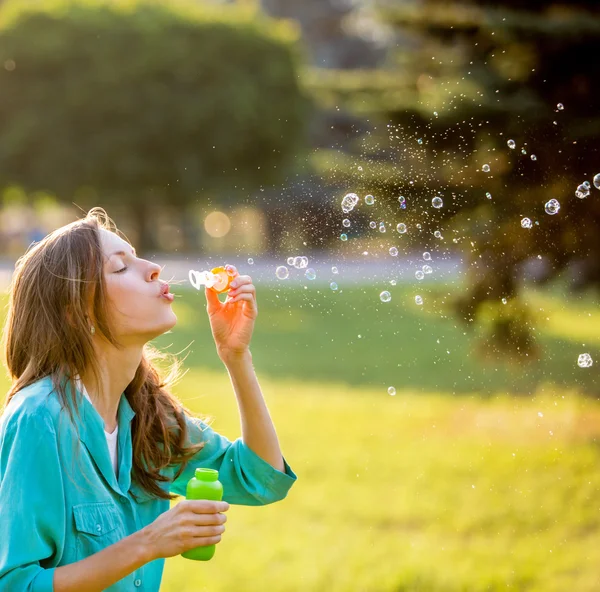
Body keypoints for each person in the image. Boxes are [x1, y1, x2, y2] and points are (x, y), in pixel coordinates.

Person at [0, 208, 297, 592]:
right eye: (121, 268)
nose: (154, 268)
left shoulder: (147, 416)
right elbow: (17, 584)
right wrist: (149, 542)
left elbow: (259, 479)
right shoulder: (39, 417)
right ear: (78, 313)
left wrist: (236, 357)